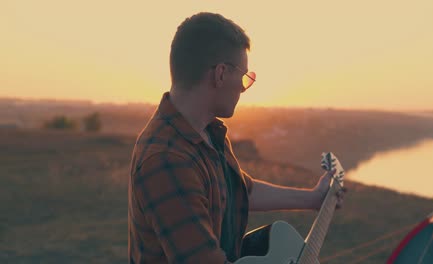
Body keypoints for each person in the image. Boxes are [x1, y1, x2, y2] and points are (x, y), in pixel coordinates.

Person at [128, 12, 345, 264]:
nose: (243, 88)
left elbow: (239, 191)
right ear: (220, 74)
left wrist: (313, 198)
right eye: (244, 77)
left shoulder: (208, 133)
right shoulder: (166, 158)